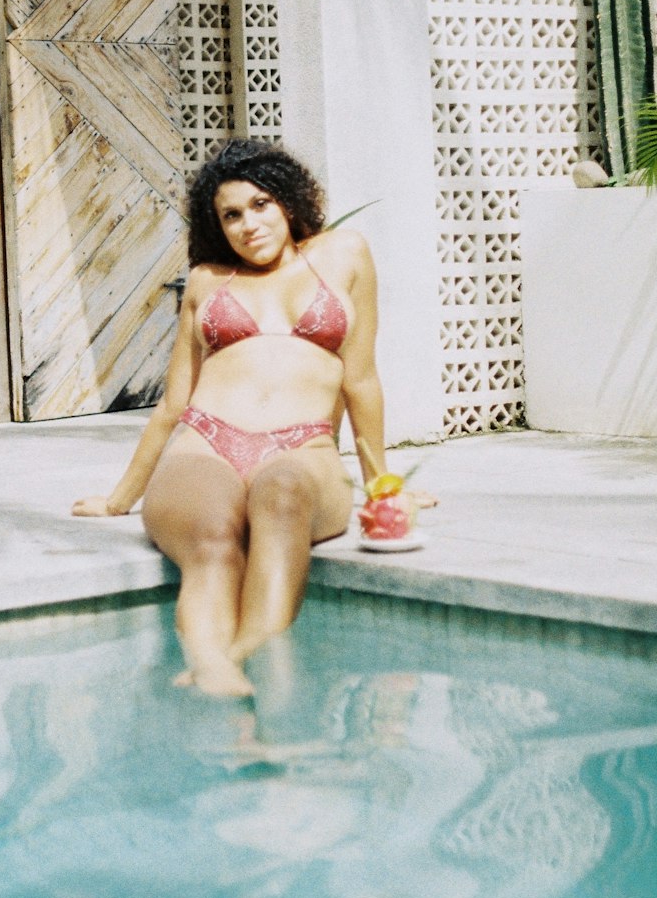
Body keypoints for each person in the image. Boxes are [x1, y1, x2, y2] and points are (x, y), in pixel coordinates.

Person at [72, 139, 431, 697]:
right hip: (206, 442)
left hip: (302, 448)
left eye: (261, 204)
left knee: (282, 495)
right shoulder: (207, 281)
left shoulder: (344, 254)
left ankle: (236, 656)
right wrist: (119, 498)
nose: (249, 224)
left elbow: (361, 381)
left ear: (287, 201)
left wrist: (381, 486)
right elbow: (173, 405)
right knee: (213, 542)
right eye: (231, 215)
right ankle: (211, 662)